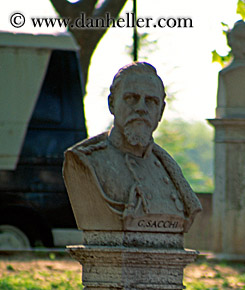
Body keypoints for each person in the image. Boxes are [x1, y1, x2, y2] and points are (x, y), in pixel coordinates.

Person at [63, 62, 201, 234]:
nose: (141, 108)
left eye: (151, 101)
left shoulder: (168, 169)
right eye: (131, 98)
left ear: (161, 111)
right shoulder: (85, 161)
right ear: (112, 104)